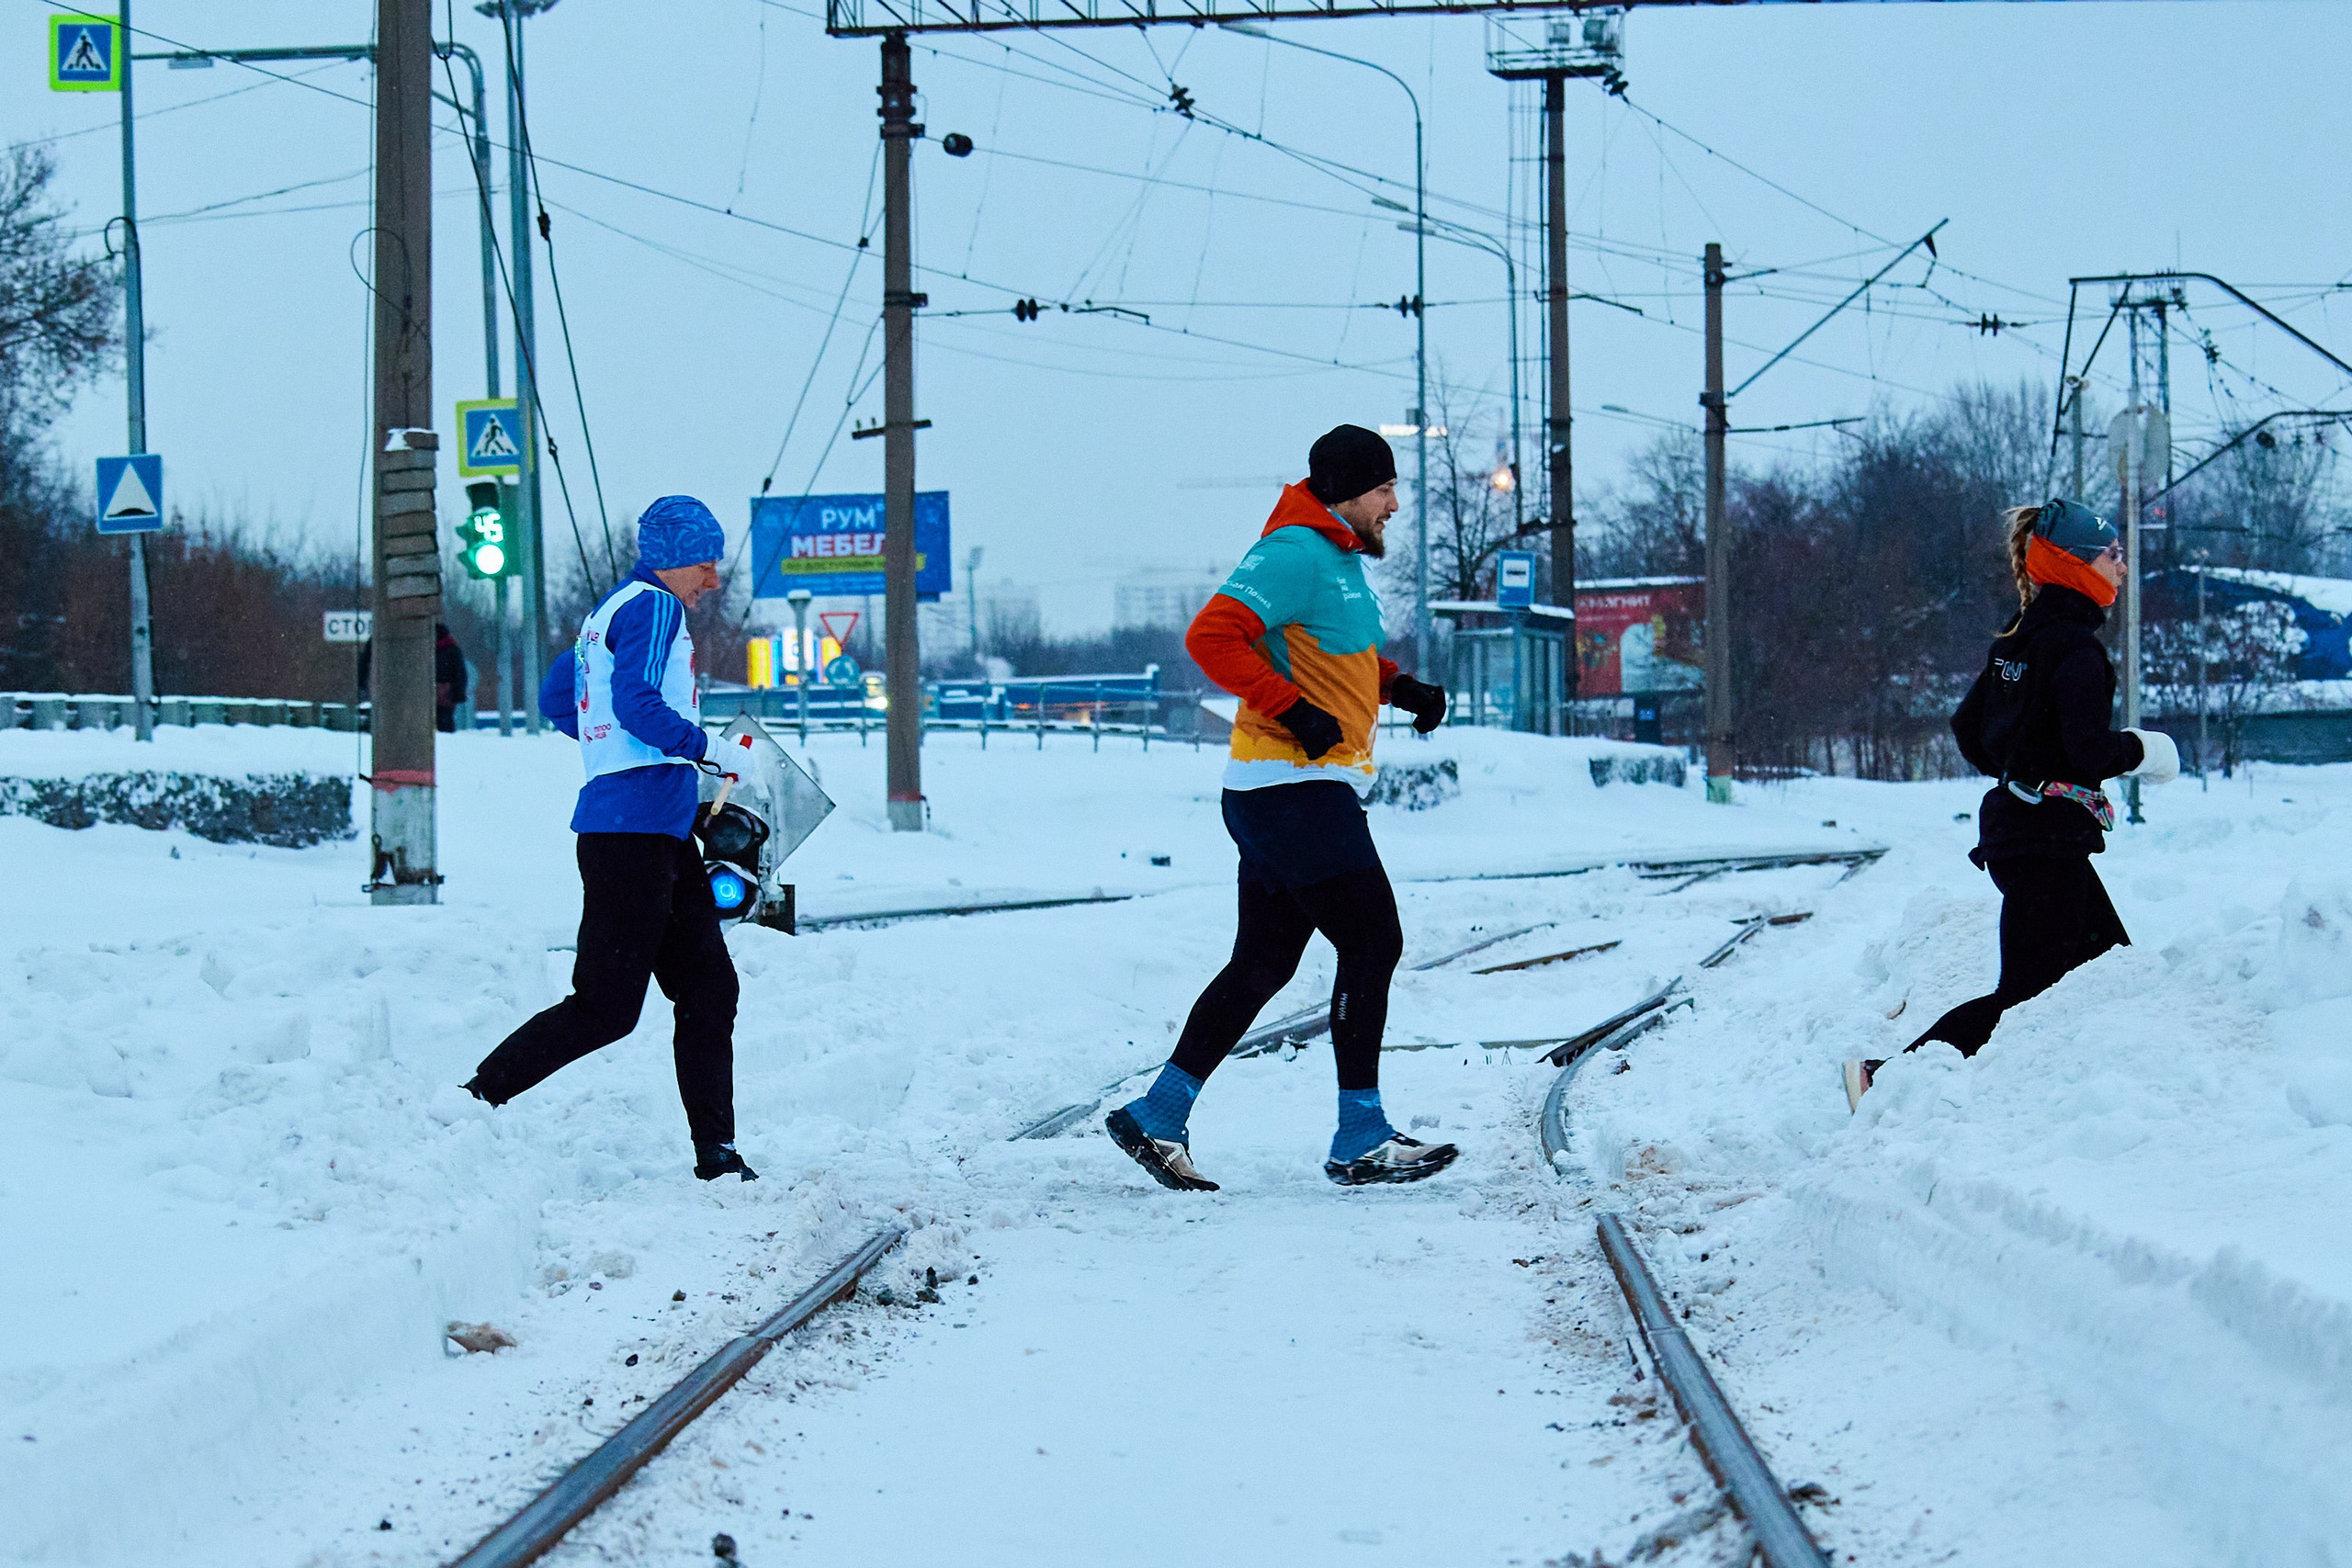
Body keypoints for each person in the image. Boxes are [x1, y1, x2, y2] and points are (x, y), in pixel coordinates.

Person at [1106, 424, 1455, 1190]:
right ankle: (1360, 1134)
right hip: (1292, 785)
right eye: (1384, 489)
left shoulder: (1337, 563)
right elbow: (1212, 636)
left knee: (1263, 960)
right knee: (1373, 940)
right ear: (1346, 493)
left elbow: (1341, 656)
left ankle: (1159, 1114)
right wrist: (1291, 708)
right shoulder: (1295, 550)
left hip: (1288, 791)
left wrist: (1401, 688)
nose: (1395, 504)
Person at [1844, 498, 2178, 1110]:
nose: (2124, 568)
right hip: (2046, 843)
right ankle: (1886, 1080)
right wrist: (2144, 751)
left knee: (2108, 964)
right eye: (2115, 555)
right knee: (2027, 992)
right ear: (2079, 564)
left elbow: (1969, 729)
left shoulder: (2017, 640)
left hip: (2023, 834)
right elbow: (2085, 751)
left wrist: (2023, 771)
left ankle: (2074, 1095)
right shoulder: (2077, 649)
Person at [464, 495, 757, 1181]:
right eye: (706, 565)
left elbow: (561, 701)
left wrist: (611, 752)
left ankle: (717, 1153)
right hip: (633, 836)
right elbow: (635, 704)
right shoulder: (656, 607)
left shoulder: (605, 612)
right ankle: (478, 1098)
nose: (711, 581)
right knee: (605, 1007)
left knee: (710, 987)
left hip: (649, 829)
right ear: (675, 559)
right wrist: (704, 747)